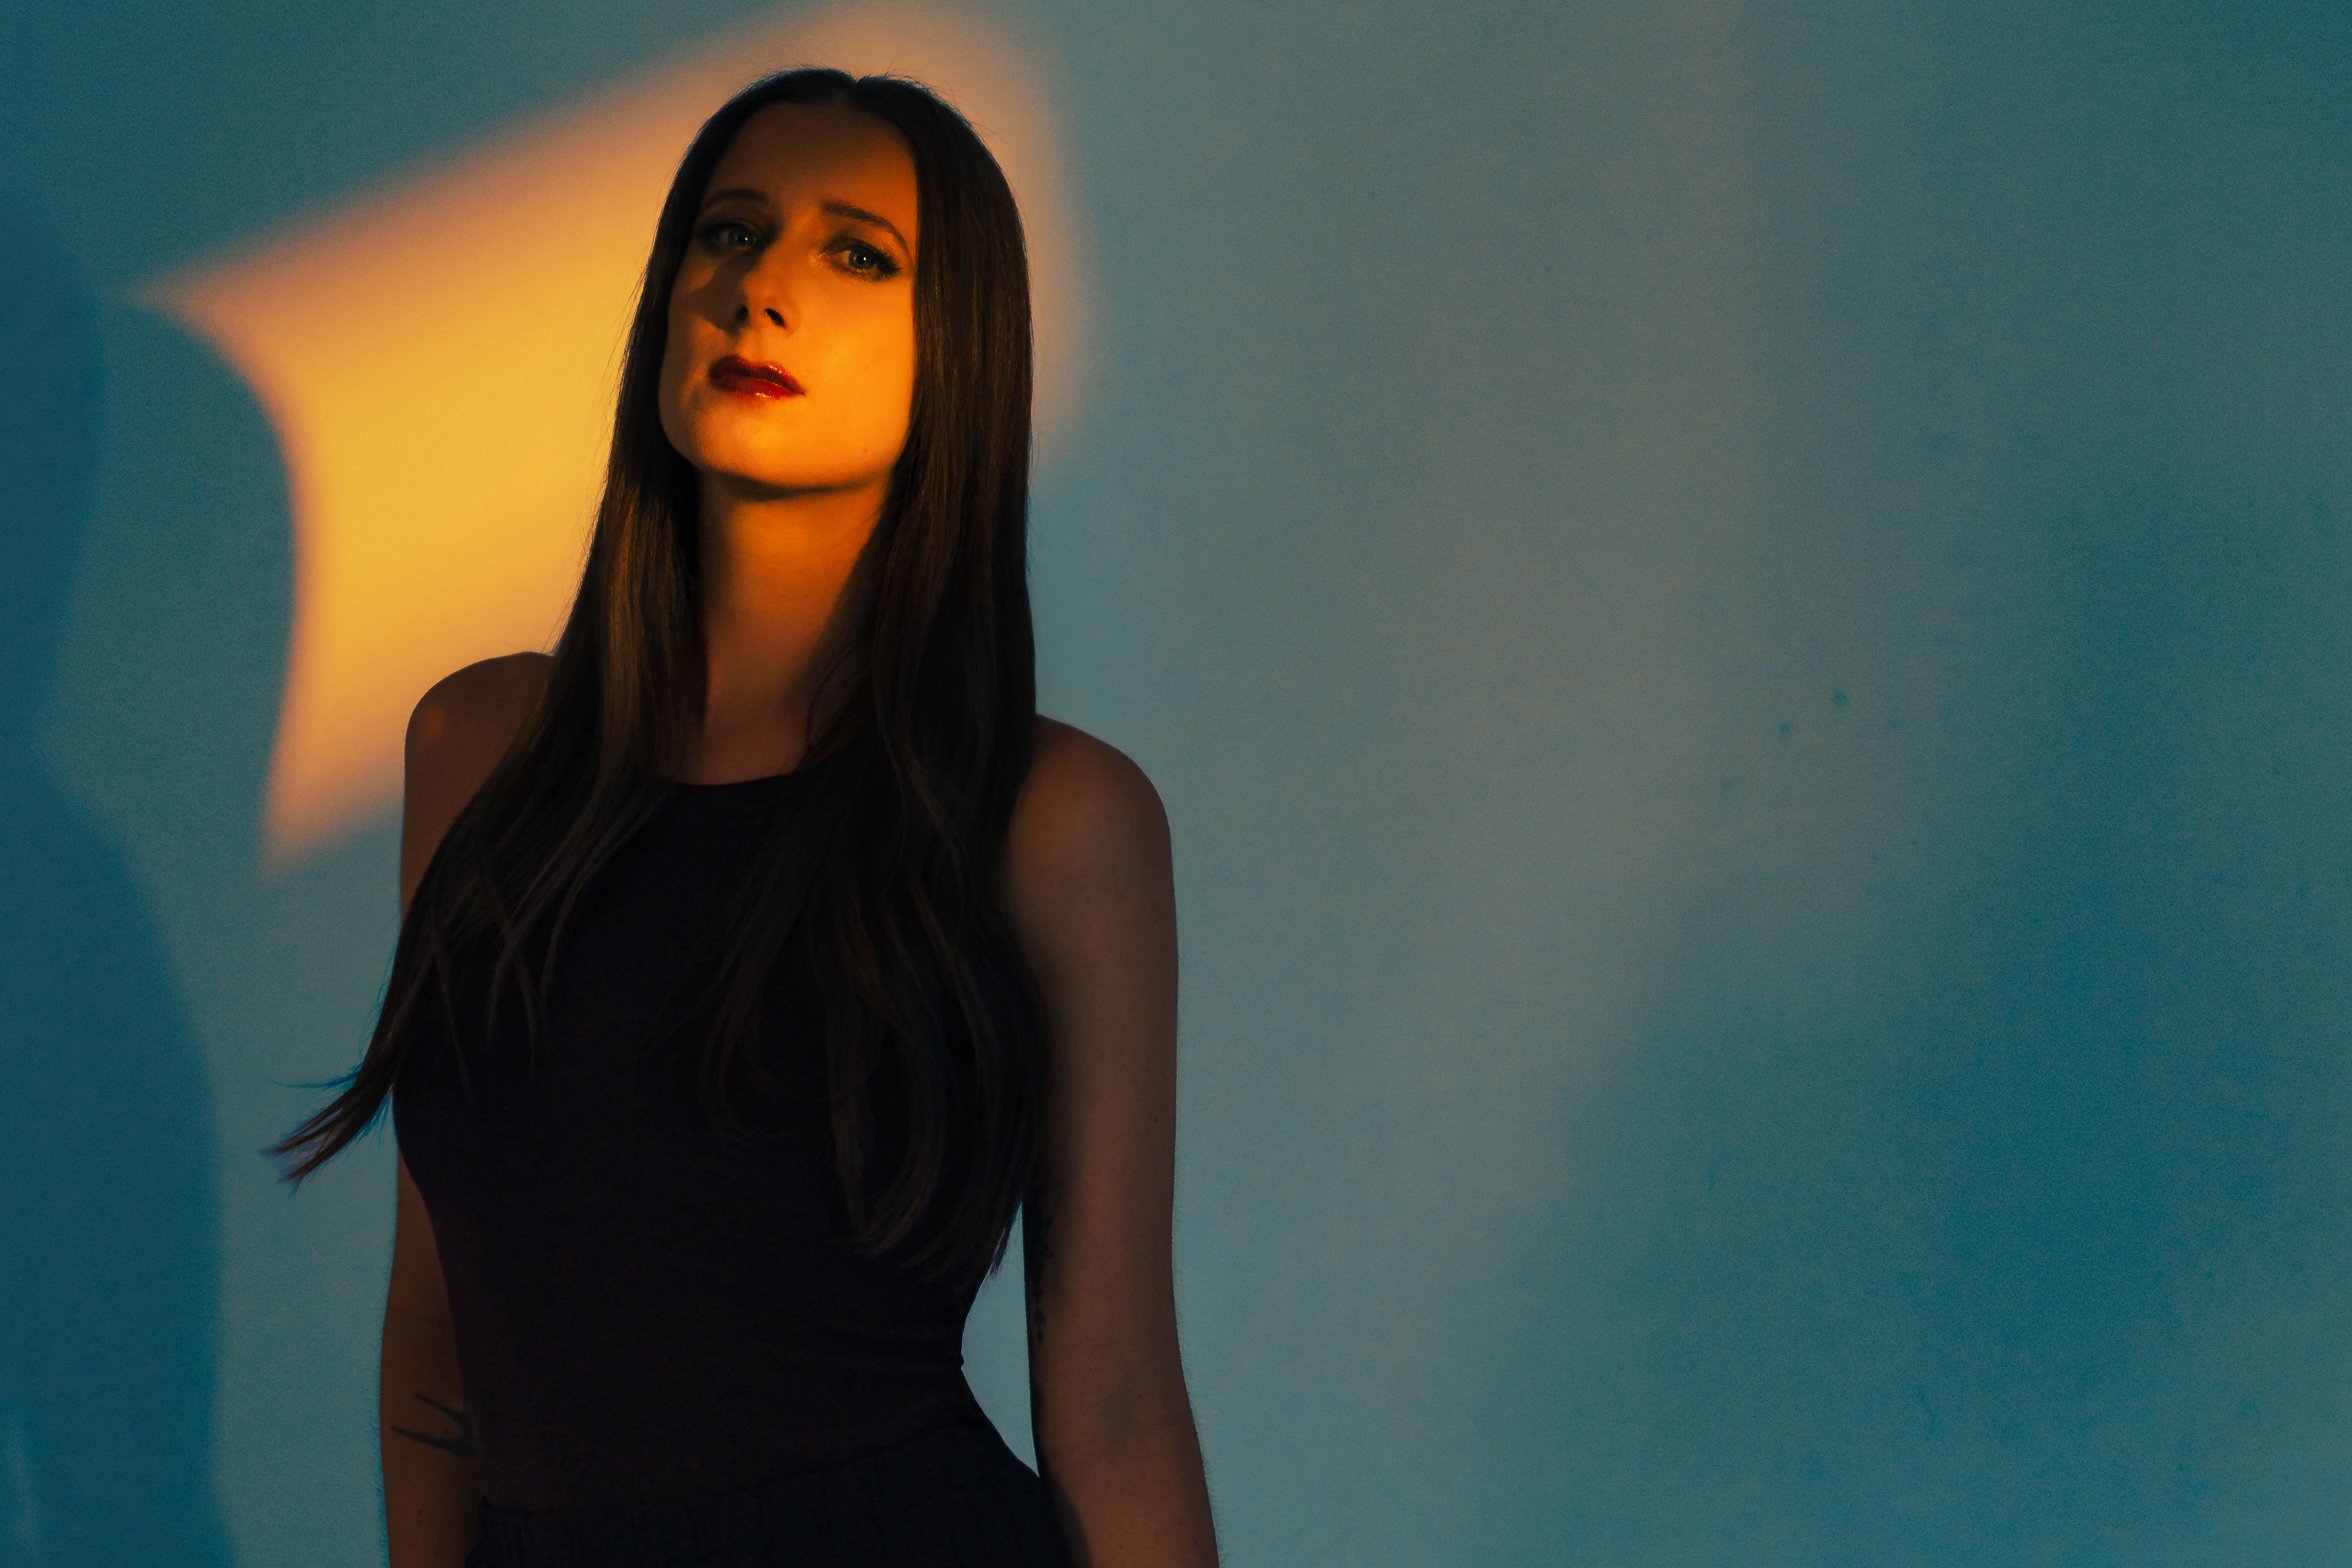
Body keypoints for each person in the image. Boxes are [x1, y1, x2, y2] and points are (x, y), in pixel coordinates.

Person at [268, 67, 1219, 1567]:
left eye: (857, 254)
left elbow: (1112, 1401)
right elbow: (441, 1328)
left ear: (959, 348)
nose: (760, 289)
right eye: (729, 232)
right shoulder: (479, 749)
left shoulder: (1052, 819)